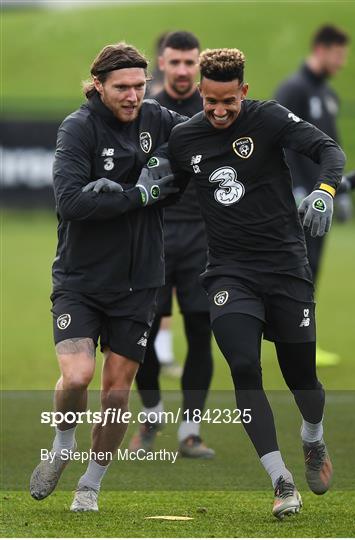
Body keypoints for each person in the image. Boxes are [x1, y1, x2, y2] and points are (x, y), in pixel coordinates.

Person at [168, 48, 345, 519]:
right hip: (229, 272)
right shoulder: (186, 138)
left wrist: (325, 193)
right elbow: (168, 189)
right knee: (244, 366)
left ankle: (313, 438)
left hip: (286, 266)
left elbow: (329, 150)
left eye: (228, 101)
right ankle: (281, 480)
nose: (219, 111)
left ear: (243, 91)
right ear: (201, 95)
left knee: (301, 378)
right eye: (210, 102)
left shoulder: (268, 119)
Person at [29, 42, 186, 512]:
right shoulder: (78, 129)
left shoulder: (158, 120)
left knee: (116, 390)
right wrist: (136, 195)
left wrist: (173, 171)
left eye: (140, 86)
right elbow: (70, 203)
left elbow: (203, 139)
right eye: (122, 87)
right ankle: (61, 445)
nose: (134, 95)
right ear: (98, 85)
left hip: (140, 281)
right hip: (81, 278)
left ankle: (90, 485)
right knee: (76, 376)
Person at [130, 31, 215, 458]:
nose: (183, 70)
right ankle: (152, 415)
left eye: (190, 62)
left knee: (202, 333)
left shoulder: (214, 108)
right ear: (161, 64)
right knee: (142, 334)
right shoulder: (146, 112)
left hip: (204, 240)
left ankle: (190, 431)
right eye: (175, 62)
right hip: (156, 237)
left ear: (198, 64)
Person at [275, 24, 351, 366]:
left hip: (323, 197)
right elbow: (280, 143)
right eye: (339, 54)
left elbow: (332, 147)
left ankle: (303, 340)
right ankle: (297, 341)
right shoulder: (294, 89)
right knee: (299, 270)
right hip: (301, 200)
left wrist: (338, 188)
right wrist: (295, 188)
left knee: (312, 267)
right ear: (321, 49)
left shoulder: (328, 95)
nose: (343, 62)